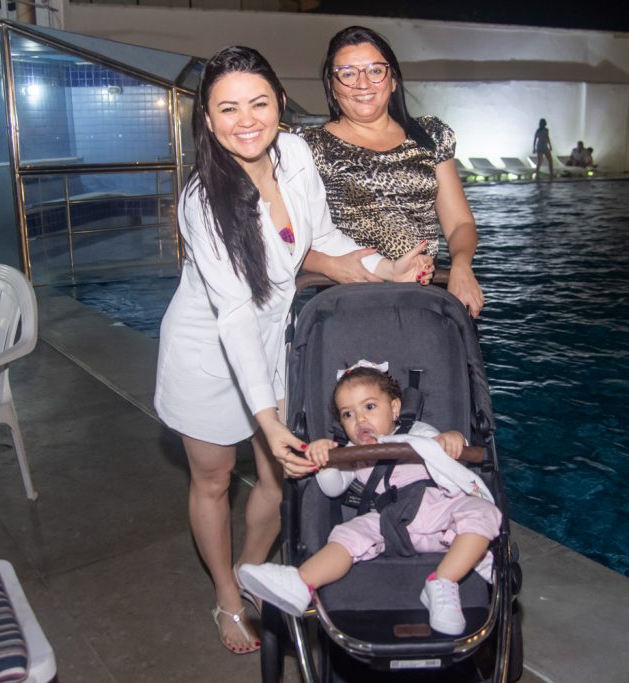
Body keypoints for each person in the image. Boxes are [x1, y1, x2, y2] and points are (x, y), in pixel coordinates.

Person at [154, 47, 431, 656]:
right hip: (208, 354)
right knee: (214, 480)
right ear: (206, 117)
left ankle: (252, 573)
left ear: (280, 102)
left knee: (279, 479)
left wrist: (387, 265)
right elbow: (232, 314)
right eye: (227, 108)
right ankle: (225, 593)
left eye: (258, 102)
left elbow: (322, 237)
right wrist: (266, 417)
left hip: (269, 346)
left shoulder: (296, 153)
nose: (245, 120)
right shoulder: (204, 201)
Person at [238, 362, 502, 636]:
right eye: (348, 414)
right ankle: (299, 582)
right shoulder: (353, 453)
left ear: (395, 408)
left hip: (437, 511)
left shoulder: (417, 432)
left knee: (481, 512)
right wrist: (325, 459)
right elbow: (332, 489)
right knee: (347, 535)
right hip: (388, 521)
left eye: (370, 407)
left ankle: (443, 582)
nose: (360, 420)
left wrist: (453, 438)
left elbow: (443, 447)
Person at [298, 26, 486, 318]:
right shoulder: (309, 147)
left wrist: (461, 266)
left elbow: (460, 223)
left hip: (424, 299)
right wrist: (327, 266)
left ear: (393, 79)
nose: (363, 83)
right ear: (332, 85)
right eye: (348, 73)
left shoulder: (430, 135)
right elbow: (286, 240)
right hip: (347, 303)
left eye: (375, 70)